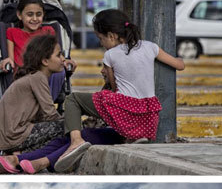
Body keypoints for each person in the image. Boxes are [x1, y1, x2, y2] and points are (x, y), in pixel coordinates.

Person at [54, 9, 186, 172]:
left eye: (101, 38)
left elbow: (114, 86)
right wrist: (179, 60)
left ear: (111, 36)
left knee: (74, 100)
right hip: (149, 119)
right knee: (115, 101)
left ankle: (76, 141)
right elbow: (180, 66)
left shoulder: (110, 55)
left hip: (125, 115)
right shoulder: (150, 47)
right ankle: (134, 137)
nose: (101, 43)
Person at [0, 34, 65, 174]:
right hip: (16, 134)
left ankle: (17, 155)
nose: (63, 59)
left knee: (59, 132)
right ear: (45, 61)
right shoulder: (39, 77)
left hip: (8, 136)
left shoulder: (31, 77)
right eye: (59, 55)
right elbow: (50, 114)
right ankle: (20, 156)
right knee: (66, 128)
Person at [0, 0, 76, 101]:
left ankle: (46, 106)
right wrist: (7, 60)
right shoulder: (12, 32)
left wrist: (65, 61)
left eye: (38, 14)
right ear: (20, 15)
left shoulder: (48, 31)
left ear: (43, 15)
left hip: (45, 78)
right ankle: (45, 109)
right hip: (24, 76)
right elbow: (10, 58)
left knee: (60, 71)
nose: (34, 19)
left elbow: (56, 54)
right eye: (30, 14)